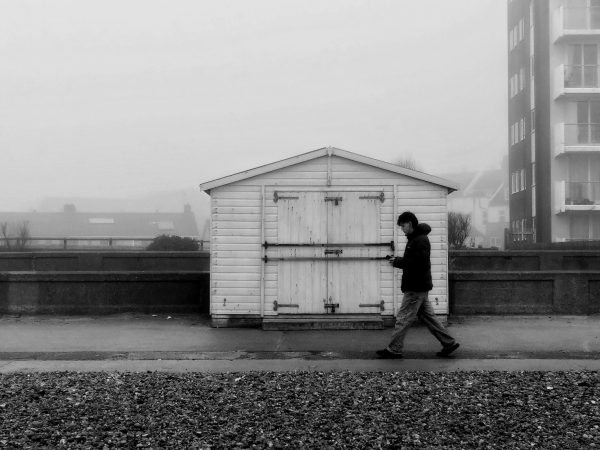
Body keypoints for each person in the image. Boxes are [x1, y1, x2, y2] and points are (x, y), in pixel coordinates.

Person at [376, 211, 459, 359]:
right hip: (420, 286)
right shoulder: (416, 239)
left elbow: (417, 264)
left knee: (403, 318)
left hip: (415, 288)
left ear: (410, 223)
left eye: (403, 226)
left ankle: (394, 349)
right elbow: (415, 260)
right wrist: (398, 259)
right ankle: (449, 343)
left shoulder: (419, 240)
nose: (402, 229)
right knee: (429, 318)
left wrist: (397, 262)